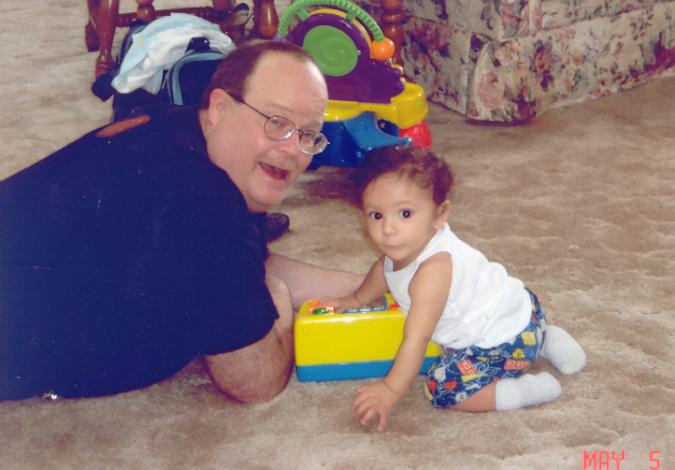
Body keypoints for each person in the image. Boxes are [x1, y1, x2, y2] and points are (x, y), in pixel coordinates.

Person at [0, 41, 361, 401]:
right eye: (276, 122)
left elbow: (246, 262)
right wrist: (278, 298)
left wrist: (371, 285)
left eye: (308, 134)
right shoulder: (203, 200)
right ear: (219, 107)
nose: (293, 149)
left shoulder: (184, 130)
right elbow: (254, 379)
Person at [325, 146, 587, 431]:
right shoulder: (407, 246)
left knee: (443, 389)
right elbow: (383, 270)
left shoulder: (432, 272)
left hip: (500, 343)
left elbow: (417, 338)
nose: (388, 229)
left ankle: (530, 389)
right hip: (524, 307)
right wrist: (356, 298)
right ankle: (546, 337)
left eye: (405, 213)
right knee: (517, 333)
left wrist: (390, 389)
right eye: (376, 215)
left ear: (440, 214)